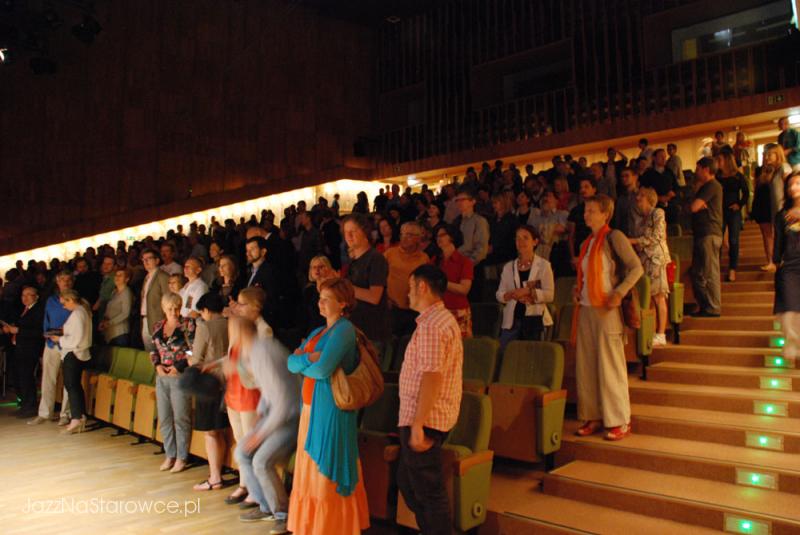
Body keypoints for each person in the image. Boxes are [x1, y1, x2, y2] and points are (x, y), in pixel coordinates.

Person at [287, 278, 370, 534]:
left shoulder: (345, 330)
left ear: (342, 303)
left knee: (325, 470)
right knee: (309, 470)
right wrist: (310, 357)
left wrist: (306, 360)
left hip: (331, 410)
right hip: (310, 409)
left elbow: (323, 369)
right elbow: (290, 362)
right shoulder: (317, 332)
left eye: (326, 299)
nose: (319, 303)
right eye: (320, 298)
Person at [397, 265, 463, 535]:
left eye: (411, 286)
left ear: (422, 287)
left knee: (428, 491)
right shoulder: (437, 321)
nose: (408, 293)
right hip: (426, 416)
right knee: (409, 482)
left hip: (426, 418)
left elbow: (432, 377)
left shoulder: (433, 326)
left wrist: (418, 424)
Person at [574, 195, 643, 441]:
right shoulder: (587, 242)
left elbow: (637, 268)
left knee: (610, 365)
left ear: (605, 214)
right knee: (587, 365)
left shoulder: (615, 237)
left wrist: (619, 292)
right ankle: (593, 415)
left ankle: (619, 419)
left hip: (607, 309)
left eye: (591, 210)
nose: (586, 215)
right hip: (586, 308)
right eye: (585, 210)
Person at [235, 319, 301, 532]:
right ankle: (265, 506)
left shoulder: (264, 351)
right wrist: (261, 413)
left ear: (241, 332)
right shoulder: (256, 349)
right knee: (242, 453)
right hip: (274, 415)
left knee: (262, 462)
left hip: (290, 417)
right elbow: (269, 388)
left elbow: (283, 401)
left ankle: (283, 514)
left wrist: (261, 433)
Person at [188, 293, 229, 492]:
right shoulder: (231, 323)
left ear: (205, 310)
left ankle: (215, 477)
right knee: (221, 431)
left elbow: (197, 359)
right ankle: (218, 474)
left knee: (210, 433)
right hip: (230, 382)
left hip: (210, 383)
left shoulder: (204, 327)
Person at [151, 292, 195, 473]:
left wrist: (180, 365)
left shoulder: (188, 325)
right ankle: (170, 454)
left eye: (177, 308)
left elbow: (194, 351)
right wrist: (157, 366)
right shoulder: (157, 326)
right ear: (163, 308)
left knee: (181, 417)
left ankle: (182, 456)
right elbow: (153, 349)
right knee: (165, 417)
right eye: (170, 309)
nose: (174, 312)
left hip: (179, 375)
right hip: (162, 375)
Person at [496, 226, 554, 350]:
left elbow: (549, 295)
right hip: (512, 320)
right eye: (518, 238)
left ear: (535, 241)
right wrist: (511, 294)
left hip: (534, 320)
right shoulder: (508, 267)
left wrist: (528, 291)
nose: (521, 242)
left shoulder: (544, 266)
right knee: (506, 354)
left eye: (525, 238)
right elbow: (499, 294)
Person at [29, 270, 74, 426]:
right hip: (51, 343)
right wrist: (47, 335)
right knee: (48, 378)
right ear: (57, 281)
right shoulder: (51, 300)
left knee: (68, 380)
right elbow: (46, 320)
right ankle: (45, 413)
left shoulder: (77, 301)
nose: (66, 282)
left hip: (68, 344)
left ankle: (65, 414)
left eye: (68, 280)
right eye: (63, 280)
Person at [630, 187, 671, 347]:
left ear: (648, 198)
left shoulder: (658, 213)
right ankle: (651, 331)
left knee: (659, 296)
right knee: (649, 297)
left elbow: (657, 236)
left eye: (640, 196)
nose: (637, 199)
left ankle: (661, 333)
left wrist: (633, 241)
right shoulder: (641, 219)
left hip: (656, 259)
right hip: (644, 261)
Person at [49, 289, 93, 434]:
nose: (64, 307)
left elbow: (77, 337)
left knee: (71, 386)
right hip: (76, 352)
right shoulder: (81, 312)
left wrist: (59, 339)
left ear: (70, 300)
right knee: (74, 385)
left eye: (64, 303)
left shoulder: (78, 313)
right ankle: (79, 416)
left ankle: (76, 418)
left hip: (74, 353)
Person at [342, 214, 390, 343]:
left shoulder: (375, 259)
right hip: (355, 328)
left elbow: (374, 297)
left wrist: (345, 287)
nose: (349, 236)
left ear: (364, 232)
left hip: (371, 332)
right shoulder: (353, 260)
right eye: (346, 232)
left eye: (353, 231)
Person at [3, 286, 45, 418]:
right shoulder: (25, 310)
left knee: (27, 377)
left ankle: (30, 406)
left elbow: (39, 332)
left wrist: (18, 331)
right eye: (23, 295)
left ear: (36, 296)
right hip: (19, 347)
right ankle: (24, 404)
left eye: (29, 295)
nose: (25, 298)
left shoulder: (38, 310)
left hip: (30, 348)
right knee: (19, 376)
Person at [690, 157, 724, 317]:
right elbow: (696, 207)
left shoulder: (711, 185)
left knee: (709, 272)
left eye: (698, 169)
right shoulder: (709, 187)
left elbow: (694, 207)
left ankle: (713, 307)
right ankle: (706, 305)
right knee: (697, 273)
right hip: (704, 233)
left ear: (705, 169)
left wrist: (700, 205)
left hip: (709, 232)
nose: (696, 172)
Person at [385, 222, 430, 336]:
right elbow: (378, 277)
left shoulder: (424, 258)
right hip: (392, 308)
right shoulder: (390, 254)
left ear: (418, 238)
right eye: (402, 234)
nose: (404, 238)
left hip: (414, 310)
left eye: (409, 235)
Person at [773, 172, 800, 368]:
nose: (793, 188)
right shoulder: (782, 215)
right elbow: (778, 242)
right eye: (791, 184)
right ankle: (793, 342)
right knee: (789, 307)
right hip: (789, 264)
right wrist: (776, 261)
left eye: (797, 183)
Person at [434, 225, 474, 338]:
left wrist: (443, 283)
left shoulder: (464, 261)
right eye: (437, 236)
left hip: (458, 310)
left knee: (461, 346)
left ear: (451, 237)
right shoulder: (436, 260)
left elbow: (464, 289)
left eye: (442, 235)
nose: (438, 238)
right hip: (440, 310)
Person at [716, 151, 749, 282]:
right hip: (720, 211)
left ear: (727, 161)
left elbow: (746, 193)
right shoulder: (717, 176)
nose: (718, 162)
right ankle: (716, 268)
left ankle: (732, 269)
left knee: (734, 240)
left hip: (733, 211)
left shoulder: (738, 176)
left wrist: (739, 205)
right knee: (718, 241)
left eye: (720, 160)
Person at [140, 248, 171, 353]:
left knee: (161, 350)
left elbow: (168, 299)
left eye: (149, 259)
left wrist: (166, 320)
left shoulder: (163, 276)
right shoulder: (146, 277)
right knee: (150, 351)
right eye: (143, 260)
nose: (145, 262)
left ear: (157, 260)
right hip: (146, 318)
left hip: (159, 319)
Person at [568, 177, 598, 267]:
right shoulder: (575, 211)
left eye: (586, 187)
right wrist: (573, 256)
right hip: (581, 251)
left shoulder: (601, 208)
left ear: (594, 189)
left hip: (598, 249)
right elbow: (571, 236)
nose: (583, 190)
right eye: (581, 188)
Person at [98, 267, 134, 346]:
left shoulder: (126, 292)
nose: (117, 277)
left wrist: (109, 323)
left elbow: (125, 313)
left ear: (127, 279)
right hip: (111, 331)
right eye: (116, 275)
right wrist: (103, 321)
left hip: (120, 332)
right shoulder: (114, 292)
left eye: (120, 275)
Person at [302, 255, 336, 333]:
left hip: (330, 331)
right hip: (312, 332)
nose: (317, 270)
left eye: (321, 267)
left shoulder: (333, 289)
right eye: (314, 267)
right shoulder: (309, 291)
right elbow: (304, 315)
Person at [613, 166, 639, 236]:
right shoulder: (621, 198)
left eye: (627, 176)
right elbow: (617, 220)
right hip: (624, 235)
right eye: (622, 176)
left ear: (635, 177)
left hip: (639, 235)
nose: (624, 179)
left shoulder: (641, 195)